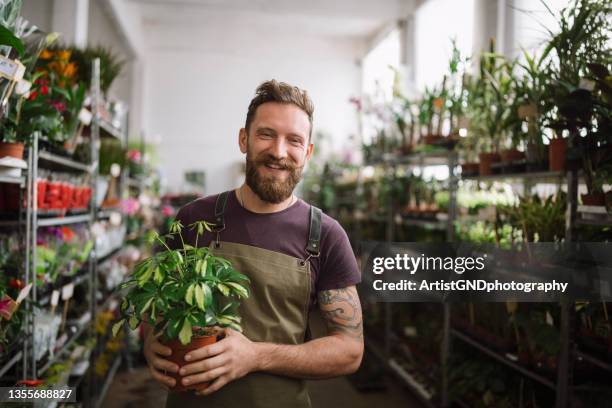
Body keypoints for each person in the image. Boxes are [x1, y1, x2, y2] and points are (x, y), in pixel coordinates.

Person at [143, 79, 363, 408]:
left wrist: (256, 356)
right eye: (266, 134)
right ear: (243, 139)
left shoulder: (325, 235)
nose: (278, 151)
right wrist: (149, 342)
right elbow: (153, 305)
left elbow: (349, 351)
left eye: (294, 140)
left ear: (308, 152)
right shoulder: (193, 218)